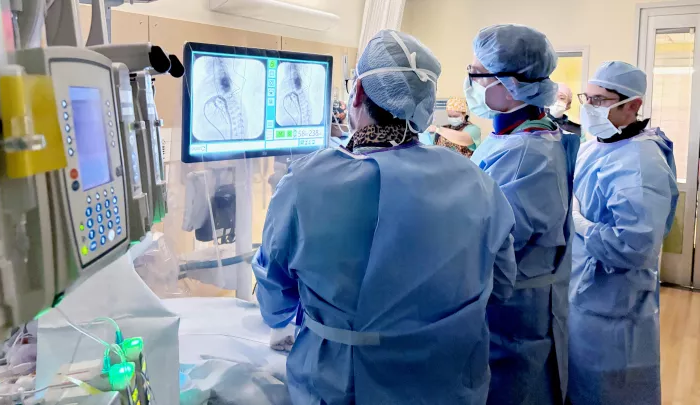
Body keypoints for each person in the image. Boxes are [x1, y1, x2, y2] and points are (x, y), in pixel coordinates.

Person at [252, 29, 518, 405]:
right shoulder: (476, 180)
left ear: (357, 93)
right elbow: (503, 284)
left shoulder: (307, 183)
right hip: (449, 383)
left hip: (344, 384)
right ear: (424, 103)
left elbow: (274, 302)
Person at [466, 24, 580, 405]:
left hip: (516, 313)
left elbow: (495, 240)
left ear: (511, 83)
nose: (472, 85)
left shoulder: (528, 155)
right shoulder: (515, 137)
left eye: (477, 75)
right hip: (510, 305)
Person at [568, 61, 678, 405]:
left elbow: (634, 246)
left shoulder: (641, 161)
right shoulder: (595, 144)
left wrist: (580, 223)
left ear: (633, 105)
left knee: (613, 389)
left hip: (615, 300)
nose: (589, 107)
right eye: (587, 97)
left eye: (600, 100)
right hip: (584, 290)